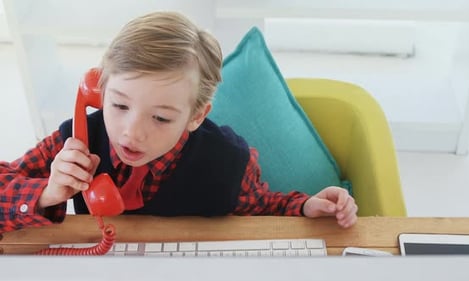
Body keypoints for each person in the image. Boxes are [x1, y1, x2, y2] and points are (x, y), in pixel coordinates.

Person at [0, 11, 357, 233]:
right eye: (119, 105)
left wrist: (305, 206)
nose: (132, 132)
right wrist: (48, 193)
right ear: (98, 90)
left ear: (196, 116)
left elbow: (261, 207)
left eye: (160, 117)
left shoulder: (229, 162)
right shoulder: (74, 143)